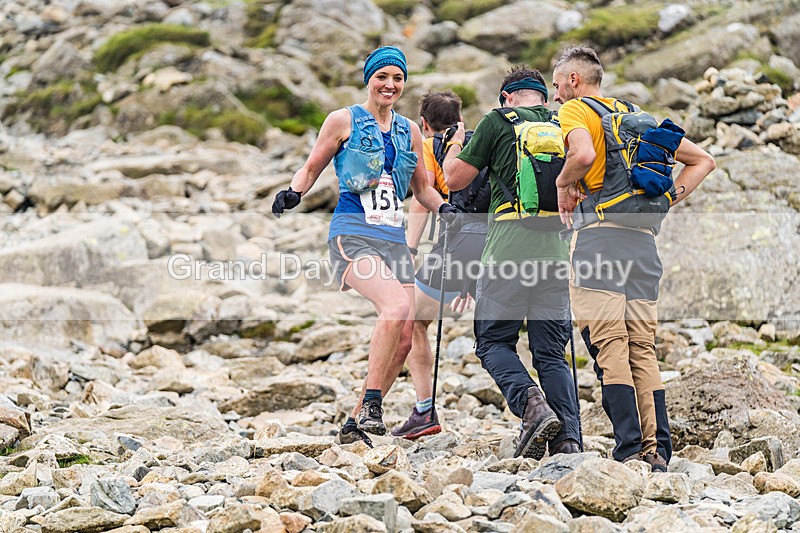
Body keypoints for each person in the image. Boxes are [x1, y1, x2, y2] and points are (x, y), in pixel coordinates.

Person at [271, 46, 462, 445]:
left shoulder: (410, 130)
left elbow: (422, 188)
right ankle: (374, 403)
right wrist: (293, 193)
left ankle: (355, 423)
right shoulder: (342, 120)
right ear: (369, 80)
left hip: (394, 240)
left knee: (406, 336)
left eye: (397, 78)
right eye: (382, 77)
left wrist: (445, 209)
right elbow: (311, 166)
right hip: (353, 234)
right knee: (394, 308)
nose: (390, 85)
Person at [552, 46, 716, 471]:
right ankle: (657, 449)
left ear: (573, 81)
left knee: (610, 347)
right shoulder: (636, 117)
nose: (555, 97)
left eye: (556, 86)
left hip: (599, 240)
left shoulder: (576, 112)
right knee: (642, 347)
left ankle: (627, 449)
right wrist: (668, 199)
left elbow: (583, 155)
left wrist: (562, 184)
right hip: (644, 244)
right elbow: (703, 161)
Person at [443, 67, 582, 460]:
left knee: (492, 342)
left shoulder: (496, 121)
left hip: (506, 253)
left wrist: (455, 145)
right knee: (551, 354)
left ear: (507, 97)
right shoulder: (565, 123)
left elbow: (455, 180)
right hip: (555, 253)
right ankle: (569, 441)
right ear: (543, 95)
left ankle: (532, 406)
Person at [392, 90, 489, 440]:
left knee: (414, 320)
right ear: (461, 122)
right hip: (500, 246)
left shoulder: (431, 149)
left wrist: (411, 250)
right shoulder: (482, 143)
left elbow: (422, 199)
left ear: (423, 124)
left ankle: (423, 411)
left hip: (457, 248)